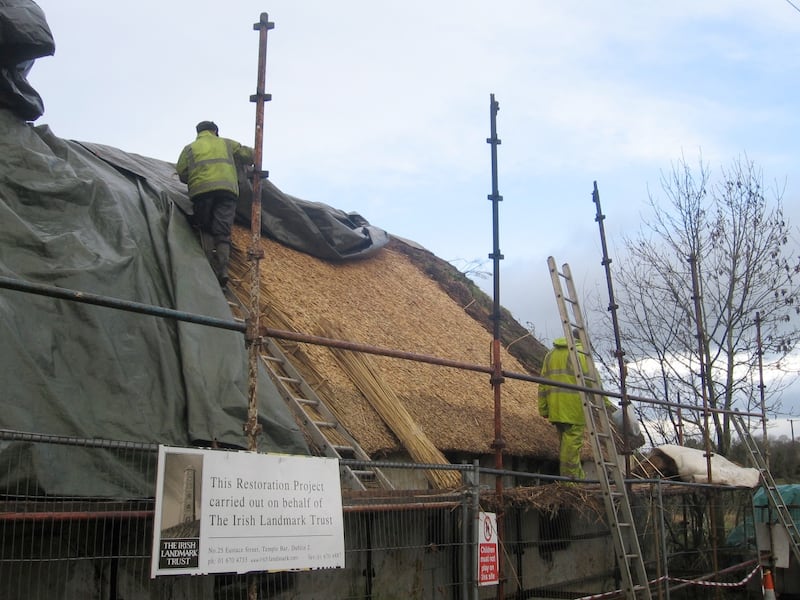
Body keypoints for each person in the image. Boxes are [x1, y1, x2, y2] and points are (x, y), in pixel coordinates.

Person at [176, 121, 253, 287]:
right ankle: (223, 270)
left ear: (198, 133)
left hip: (201, 192)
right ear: (215, 131)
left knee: (205, 228)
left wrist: (197, 178)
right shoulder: (227, 143)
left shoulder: (189, 149)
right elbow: (250, 154)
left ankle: (208, 268)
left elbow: (182, 173)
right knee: (222, 231)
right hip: (226, 191)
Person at [538, 334, 606, 479]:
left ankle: (576, 477)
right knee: (572, 447)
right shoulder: (580, 354)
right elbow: (594, 383)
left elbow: (542, 383)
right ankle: (570, 480)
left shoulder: (550, 354)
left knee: (565, 445)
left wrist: (543, 408)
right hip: (574, 408)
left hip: (556, 408)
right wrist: (606, 404)